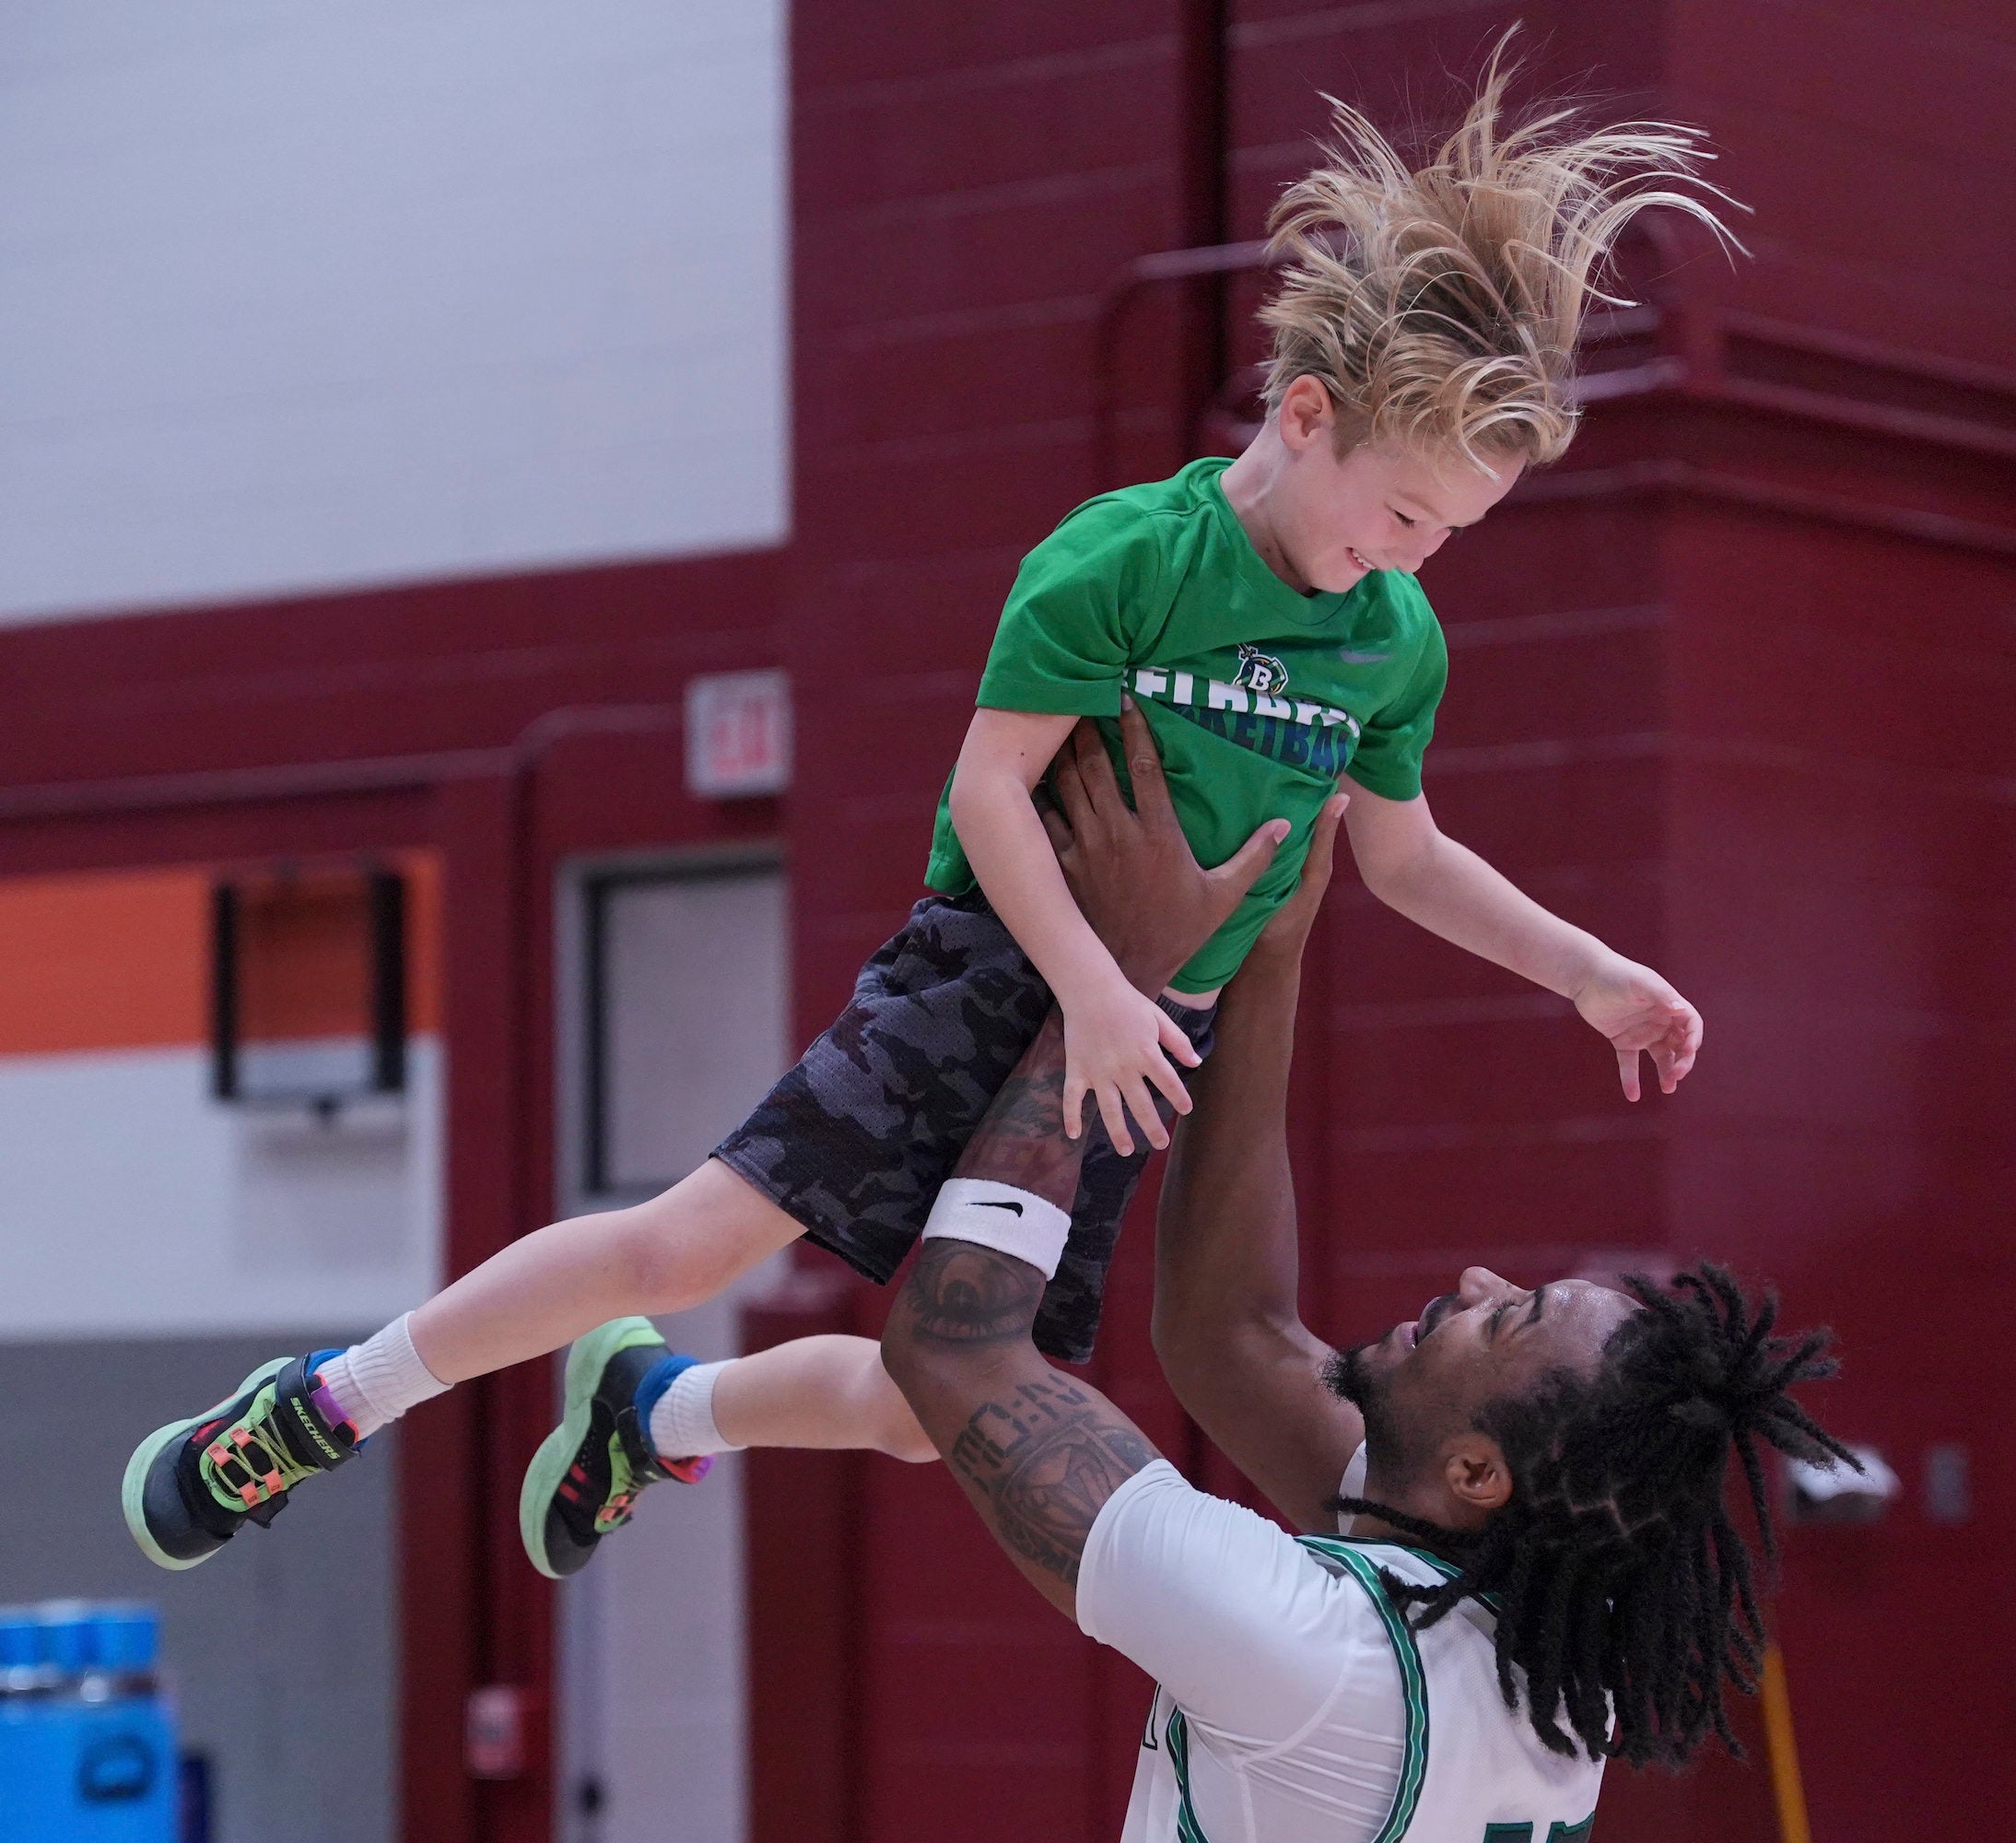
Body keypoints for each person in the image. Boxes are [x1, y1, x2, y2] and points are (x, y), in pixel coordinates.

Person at [123, 48, 1726, 1580]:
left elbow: (1403, 855)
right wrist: (1090, 990)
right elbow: (987, 791)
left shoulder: (1390, 637)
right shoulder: (1124, 560)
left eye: (1450, 531)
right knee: (684, 1252)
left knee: (936, 1404)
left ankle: (651, 1418)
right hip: (997, 973)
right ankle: (319, 1408)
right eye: (1400, 511)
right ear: (1303, 413)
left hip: (1140, 1033)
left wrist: (1582, 970)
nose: (1415, 555)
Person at [879, 710, 1855, 1842]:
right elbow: (1228, 1333)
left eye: (1506, 1321)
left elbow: (952, 1343)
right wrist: (1269, 939)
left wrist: (1113, 978)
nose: (1476, 1281)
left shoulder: (1308, 1653)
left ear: (1477, 1467)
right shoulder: (1527, 1639)